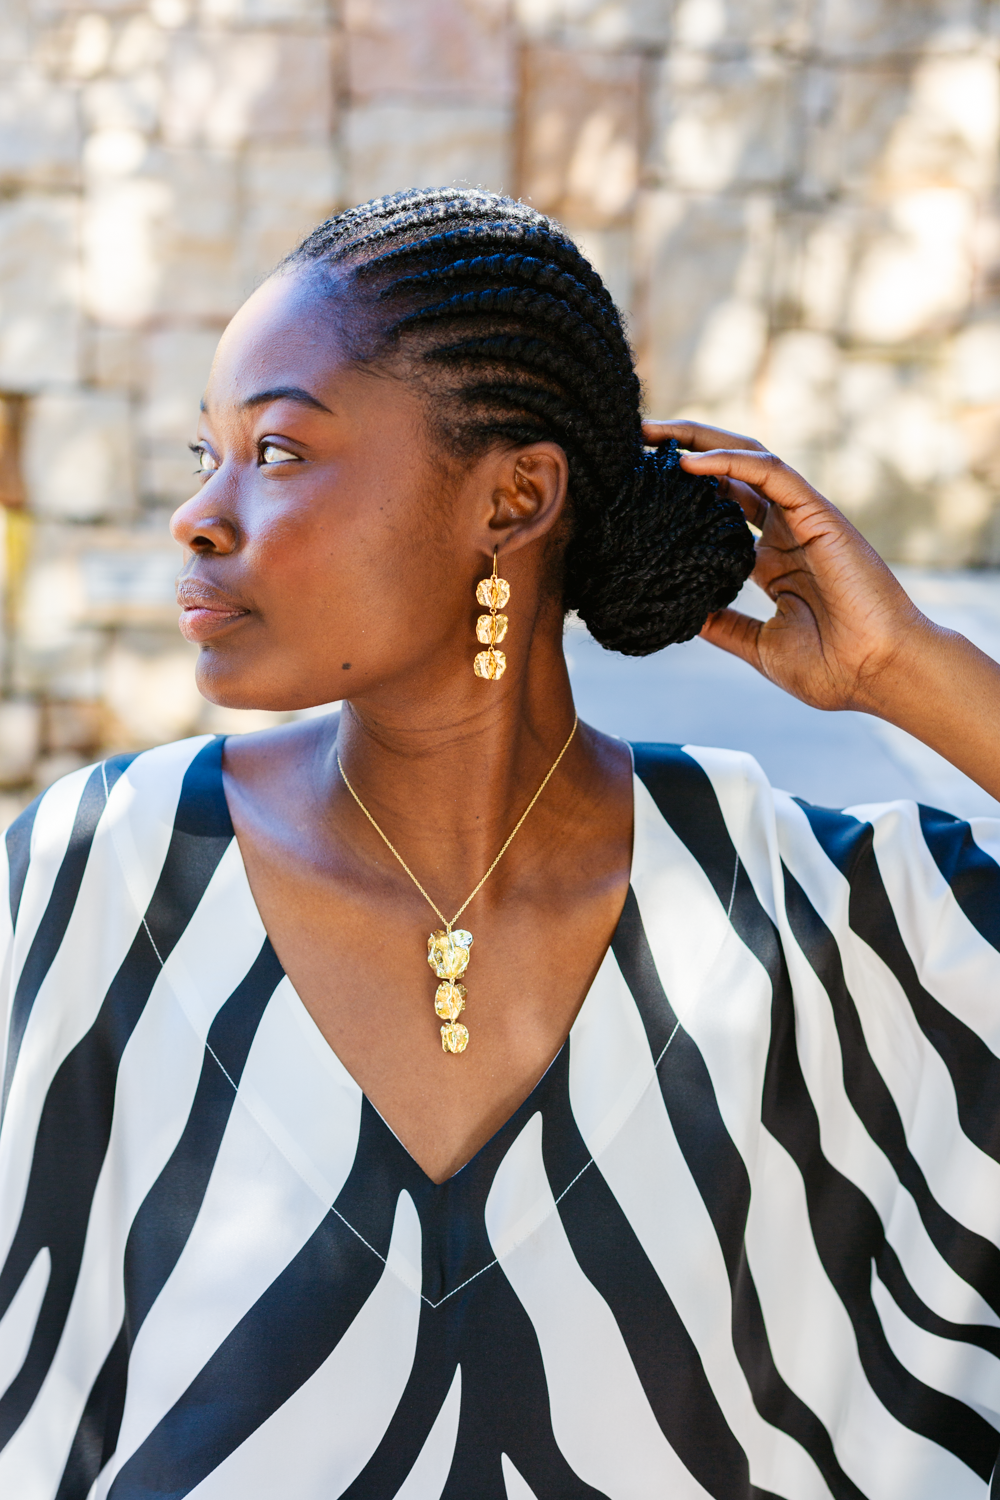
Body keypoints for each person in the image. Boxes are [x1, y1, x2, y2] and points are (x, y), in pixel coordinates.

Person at [1, 188, 999, 1500]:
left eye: (281, 453)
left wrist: (906, 670)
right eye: (207, 455)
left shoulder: (820, 916)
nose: (202, 515)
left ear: (514, 498)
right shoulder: (85, 888)